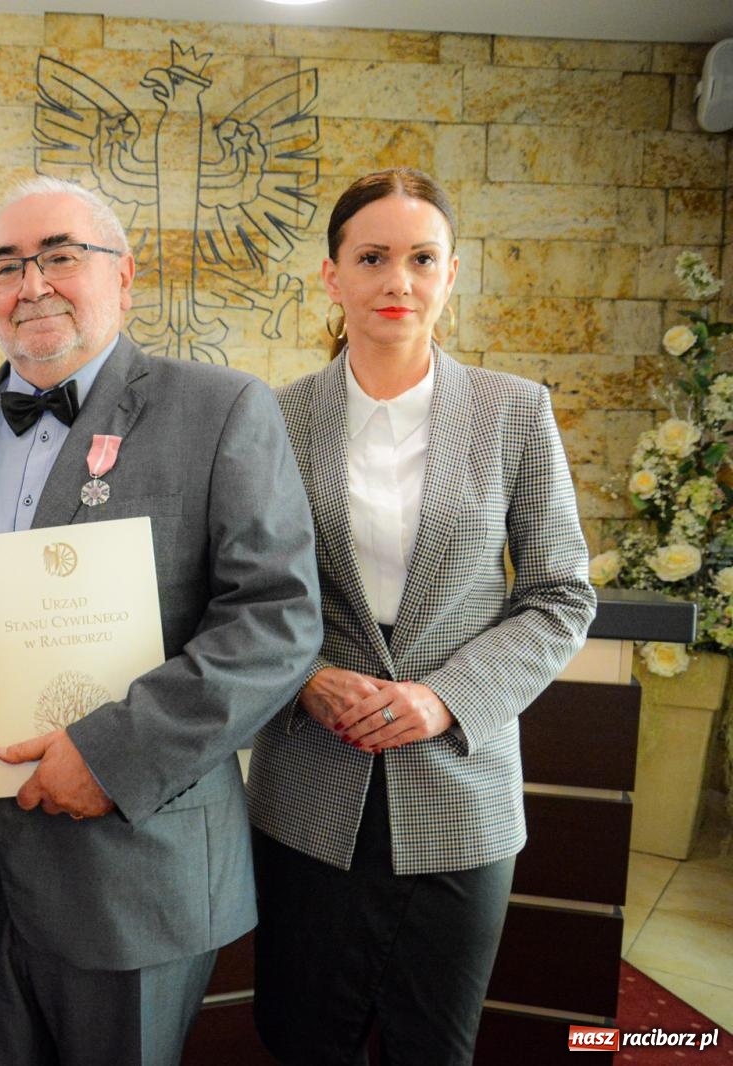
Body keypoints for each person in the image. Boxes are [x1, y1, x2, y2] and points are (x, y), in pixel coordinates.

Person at [0, 175, 323, 1065]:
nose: (32, 284)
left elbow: (275, 620)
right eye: (6, 265)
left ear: (123, 278)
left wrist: (113, 753)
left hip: (135, 858)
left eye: (59, 255)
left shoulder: (223, 409)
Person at [247, 168, 598, 1064]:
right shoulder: (273, 418)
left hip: (460, 784)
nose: (396, 280)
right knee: (301, 1038)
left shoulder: (516, 411)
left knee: (433, 1044)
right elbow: (244, 592)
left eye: (421, 258)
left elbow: (561, 592)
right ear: (333, 276)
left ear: (450, 274)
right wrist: (308, 677)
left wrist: (444, 698)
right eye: (372, 257)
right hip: (308, 782)